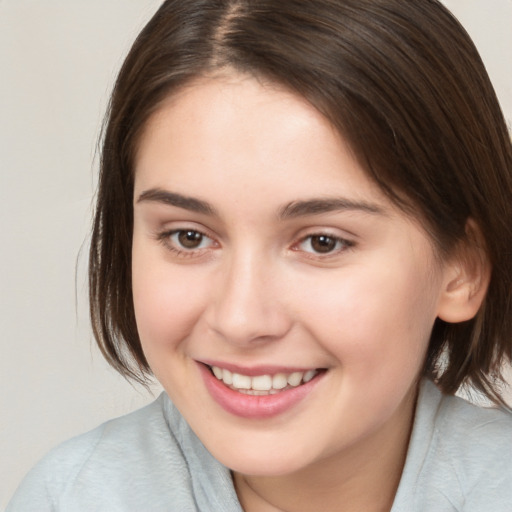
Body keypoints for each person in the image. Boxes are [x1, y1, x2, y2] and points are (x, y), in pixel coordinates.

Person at [7, 0, 512, 510]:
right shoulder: (69, 498)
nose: (241, 319)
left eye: (322, 242)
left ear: (462, 270)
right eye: (188, 236)